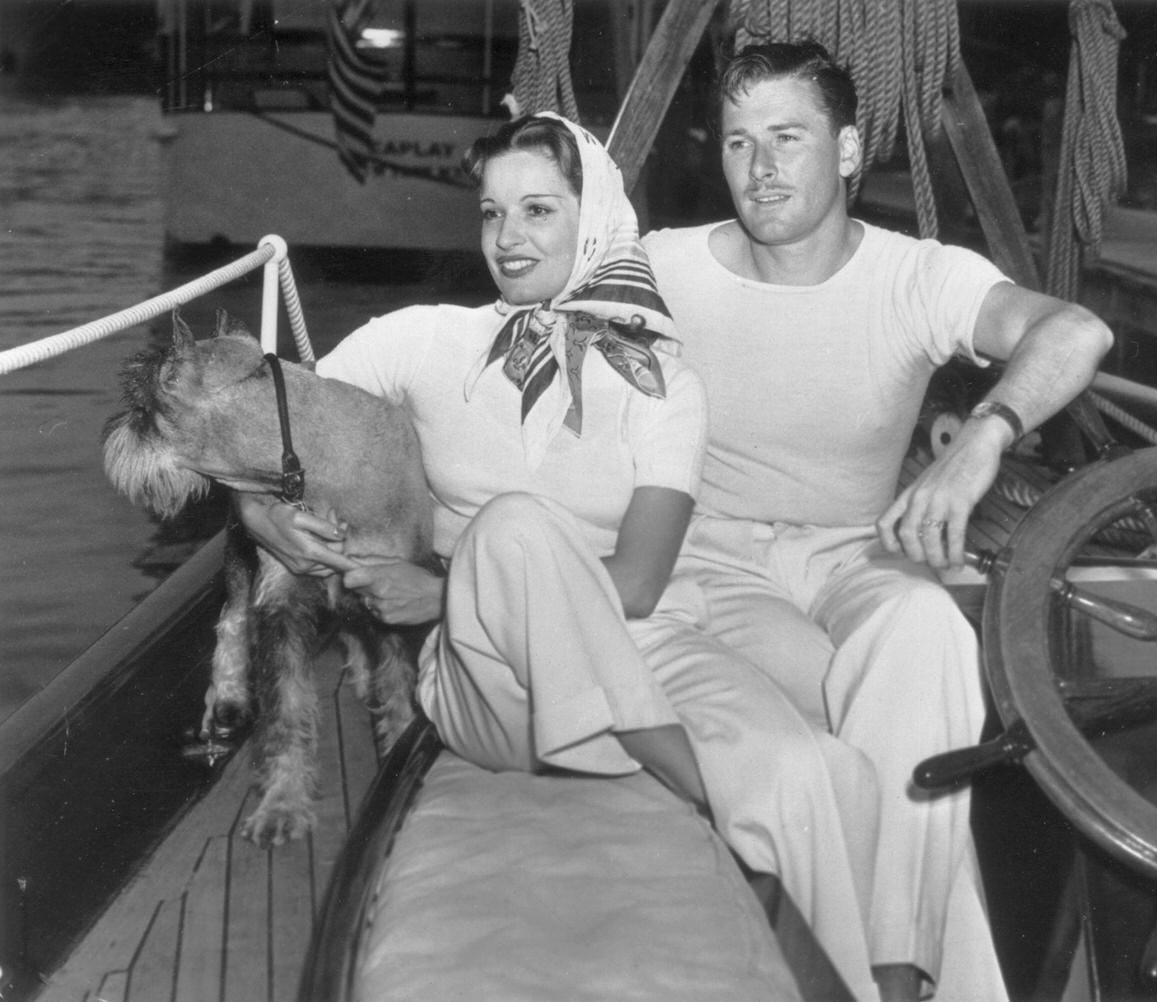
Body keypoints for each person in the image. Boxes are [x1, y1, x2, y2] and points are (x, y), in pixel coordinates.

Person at [236, 113, 886, 1000]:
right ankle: (670, 758)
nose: (508, 239)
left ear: (595, 218)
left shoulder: (664, 383)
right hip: (489, 675)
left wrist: (438, 591)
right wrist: (258, 511)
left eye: (538, 210)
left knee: (818, 774)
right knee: (514, 524)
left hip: (640, 639)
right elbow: (269, 411)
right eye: (492, 213)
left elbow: (641, 581)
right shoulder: (427, 341)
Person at [637, 41, 1115, 1002]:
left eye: (787, 138)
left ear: (850, 151)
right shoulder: (661, 271)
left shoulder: (914, 277)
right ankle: (908, 981)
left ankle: (891, 971)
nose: (760, 170)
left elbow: (1078, 332)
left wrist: (981, 442)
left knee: (927, 628)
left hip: (858, 554)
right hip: (713, 567)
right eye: (738, 142)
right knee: (856, 730)